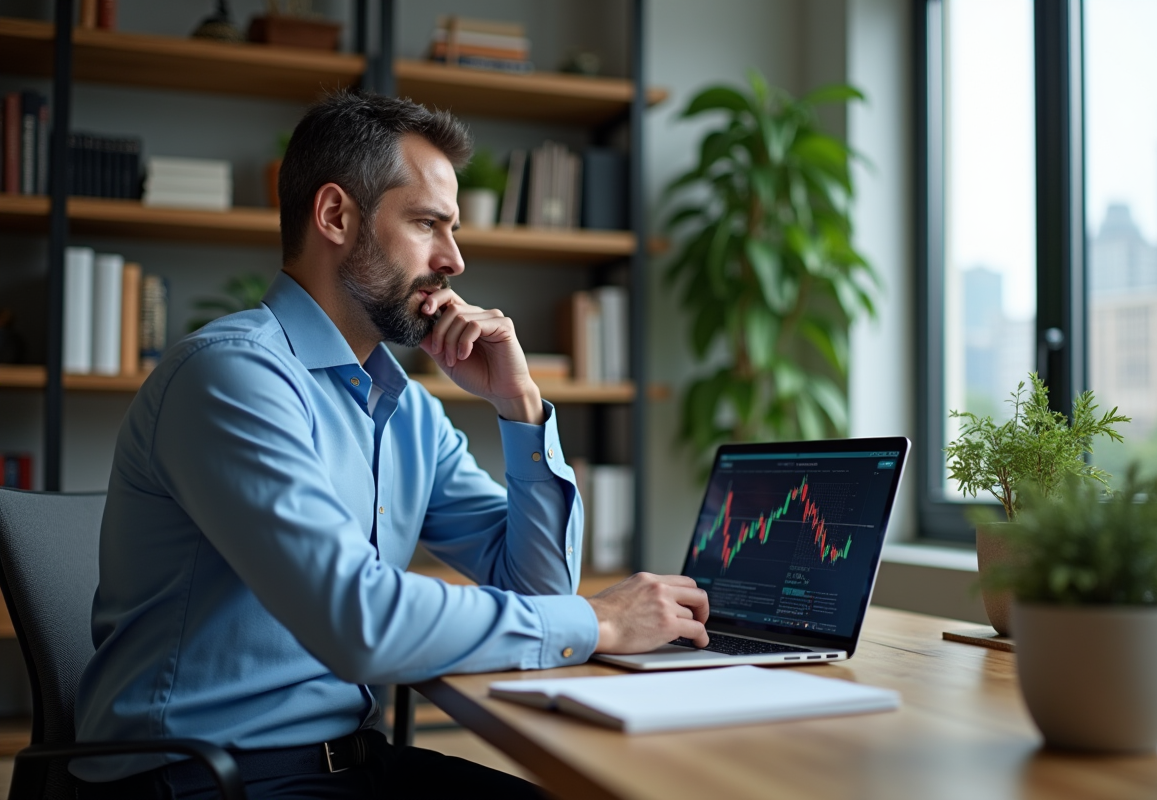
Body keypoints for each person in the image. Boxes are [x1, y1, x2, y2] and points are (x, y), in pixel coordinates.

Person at [70, 91, 710, 799]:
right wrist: (599, 620)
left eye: (454, 230)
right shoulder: (231, 378)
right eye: (428, 224)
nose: (455, 260)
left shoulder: (405, 411)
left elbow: (536, 590)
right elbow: (360, 621)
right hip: (201, 778)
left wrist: (519, 408)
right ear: (336, 216)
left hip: (345, 762)